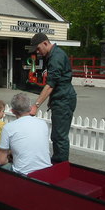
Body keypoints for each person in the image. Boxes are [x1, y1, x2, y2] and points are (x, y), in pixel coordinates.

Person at [29, 33, 77, 163]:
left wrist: (36, 105)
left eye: (38, 48)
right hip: (61, 97)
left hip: (64, 99)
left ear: (45, 43)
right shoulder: (52, 55)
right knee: (57, 135)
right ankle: (59, 163)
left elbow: (50, 84)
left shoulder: (56, 57)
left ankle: (60, 165)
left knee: (59, 137)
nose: (38, 52)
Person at [0, 93, 52, 175]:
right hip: (45, 171)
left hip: (24, 174)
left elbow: (1, 161)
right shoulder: (43, 123)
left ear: (13, 111)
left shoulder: (8, 128)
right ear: (30, 108)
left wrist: (10, 159)